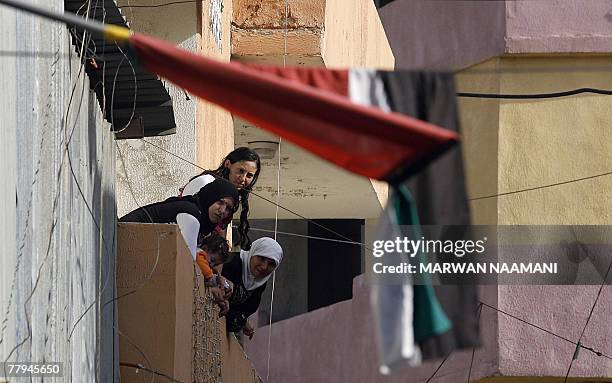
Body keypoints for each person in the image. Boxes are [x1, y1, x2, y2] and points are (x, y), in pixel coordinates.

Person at [119, 179, 239, 261]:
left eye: (228, 208)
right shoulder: (191, 214)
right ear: (210, 197)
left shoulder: (200, 219)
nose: (223, 210)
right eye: (220, 202)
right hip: (120, 241)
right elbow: (189, 259)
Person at [180, 147, 261, 250]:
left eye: (249, 175)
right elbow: (185, 217)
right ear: (228, 164)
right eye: (240, 171)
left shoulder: (230, 198)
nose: (242, 179)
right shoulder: (206, 182)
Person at [221, 237, 283, 339]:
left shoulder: (259, 283)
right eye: (261, 258)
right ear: (253, 252)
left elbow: (241, 313)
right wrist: (242, 321)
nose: (264, 267)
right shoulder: (231, 263)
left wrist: (241, 320)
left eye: (271, 264)